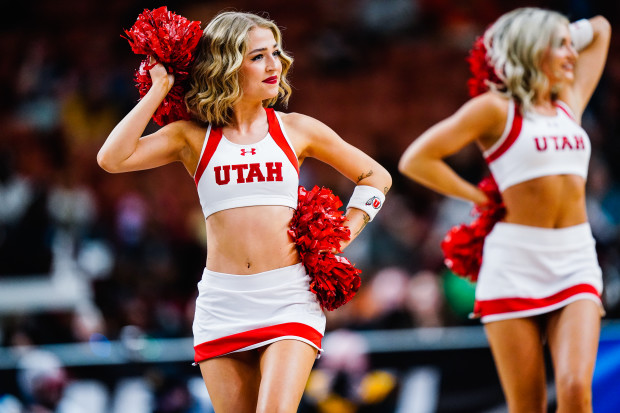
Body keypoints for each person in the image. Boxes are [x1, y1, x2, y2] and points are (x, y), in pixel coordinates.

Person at [97, 10, 391, 413]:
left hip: (288, 297)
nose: (275, 65)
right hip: (223, 303)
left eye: (276, 52)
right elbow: (112, 158)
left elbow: (376, 177)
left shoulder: (296, 128)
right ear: (226, 65)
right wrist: (158, 89)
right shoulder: (191, 136)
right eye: (258, 56)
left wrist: (341, 234)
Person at [398, 7, 610, 413]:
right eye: (560, 46)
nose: (571, 54)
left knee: (575, 390)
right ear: (532, 49)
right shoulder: (496, 108)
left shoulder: (569, 100)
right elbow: (417, 159)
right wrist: (478, 197)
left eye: (570, 44)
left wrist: (560, 33)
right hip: (514, 262)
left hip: (576, 258)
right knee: (526, 405)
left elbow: (600, 28)